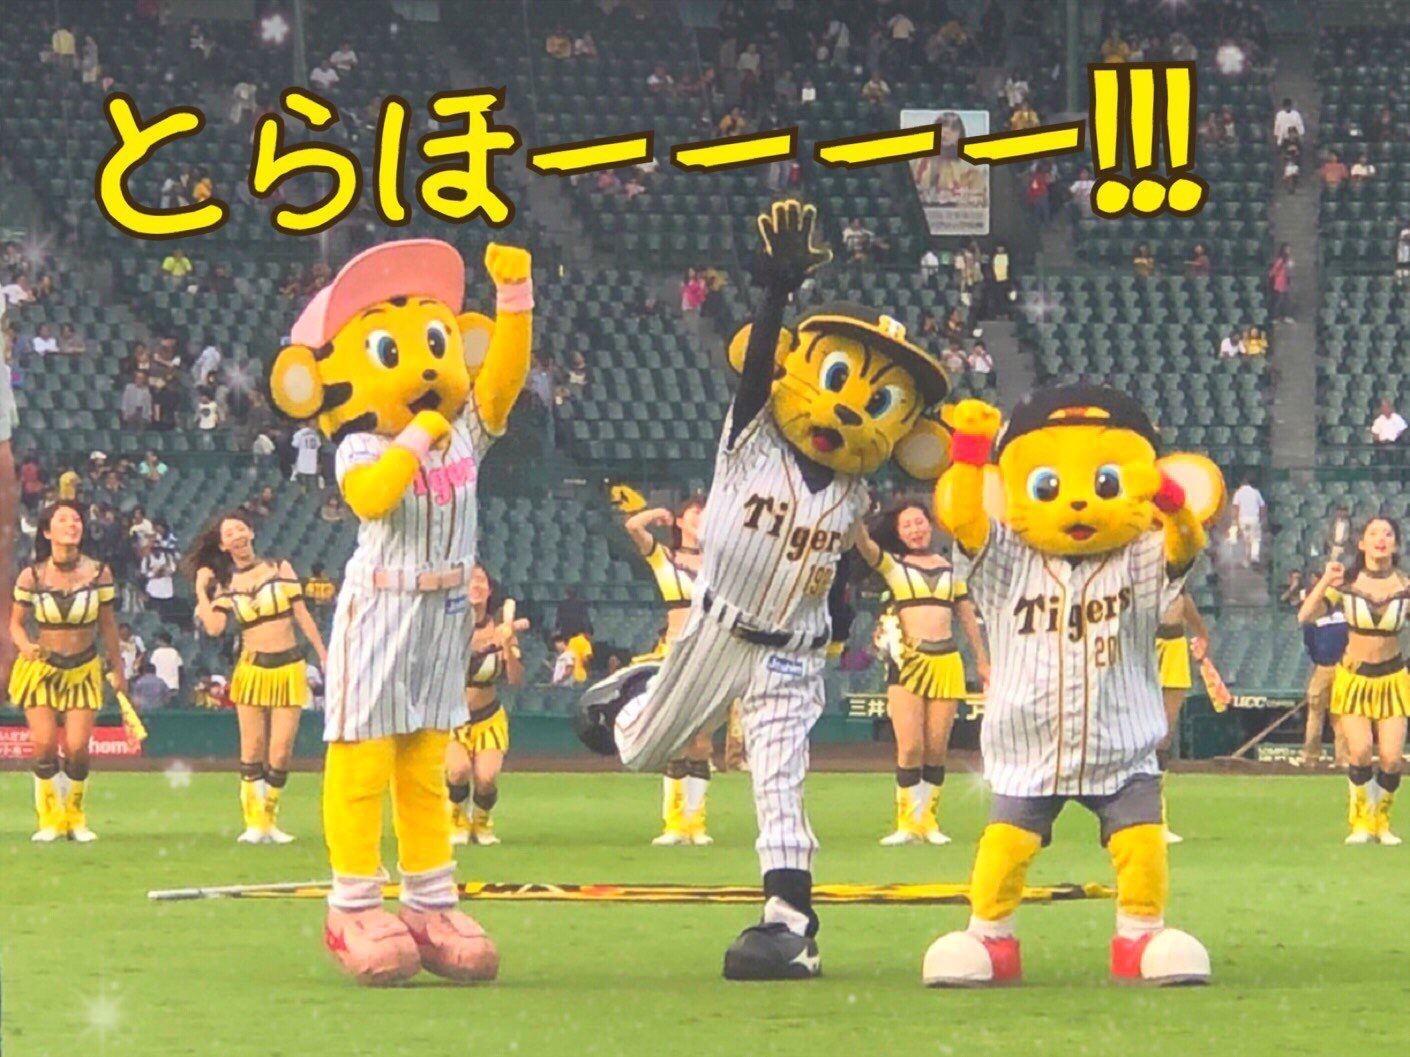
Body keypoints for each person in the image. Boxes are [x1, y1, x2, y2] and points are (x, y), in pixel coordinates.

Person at [855, 503, 988, 845]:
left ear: (930, 525)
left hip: (946, 661)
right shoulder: (893, 565)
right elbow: (865, 546)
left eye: (919, 522)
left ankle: (928, 821)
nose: (915, 530)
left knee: (936, 748)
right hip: (908, 662)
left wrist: (982, 661)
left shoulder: (952, 570)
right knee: (911, 746)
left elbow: (967, 617)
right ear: (898, 532)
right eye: (907, 525)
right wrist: (854, 514)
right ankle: (906, 823)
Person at [189, 513, 327, 844]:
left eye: (240, 528)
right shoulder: (227, 584)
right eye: (229, 533)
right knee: (252, 746)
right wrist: (200, 590)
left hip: (289, 666)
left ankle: (270, 818)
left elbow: (302, 614)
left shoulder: (280, 568)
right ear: (223, 545)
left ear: (251, 532)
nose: (237, 535)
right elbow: (214, 628)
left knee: (281, 751)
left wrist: (323, 653)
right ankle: (255, 822)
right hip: (251, 668)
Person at [8, 502, 126, 842]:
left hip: (83, 668)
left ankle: (75, 818)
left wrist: (118, 668)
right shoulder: (31, 575)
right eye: (62, 520)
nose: (72, 525)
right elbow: (15, 624)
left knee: (76, 747)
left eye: (76, 519)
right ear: (47, 532)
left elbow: (108, 626)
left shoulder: (99, 573)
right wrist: (25, 645)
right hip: (41, 669)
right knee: (44, 743)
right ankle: (50, 820)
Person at [1298, 518, 1408, 843]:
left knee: (1391, 758)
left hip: (1393, 679)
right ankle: (1361, 822)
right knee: (1358, 752)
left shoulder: (1404, 586)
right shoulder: (1346, 583)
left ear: (1396, 545)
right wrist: (1325, 581)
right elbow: (1305, 615)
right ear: (1361, 543)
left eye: (1388, 534)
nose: (1381, 539)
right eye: (1373, 533)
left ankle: (1381, 822)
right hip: (1354, 677)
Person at [623, 496, 718, 846]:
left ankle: (696, 823)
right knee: (674, 740)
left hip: (708, 657)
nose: (700, 519)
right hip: (673, 656)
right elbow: (633, 527)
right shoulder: (665, 558)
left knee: (701, 742)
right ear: (680, 520)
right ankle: (674, 824)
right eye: (694, 513)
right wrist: (656, 514)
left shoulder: (720, 565)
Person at [446, 565, 527, 846]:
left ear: (490, 590)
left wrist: (506, 645)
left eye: (481, 580)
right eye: (471, 581)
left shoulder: (500, 629)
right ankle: (457, 819)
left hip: (488, 716)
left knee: (486, 777)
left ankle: (481, 822)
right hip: (453, 716)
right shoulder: (448, 628)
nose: (476, 585)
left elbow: (516, 679)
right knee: (458, 771)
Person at [1154, 593, 1210, 843]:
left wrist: (1202, 633)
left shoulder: (1176, 577)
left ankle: (1156, 819)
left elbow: (1183, 596)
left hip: (1174, 643)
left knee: (1163, 736)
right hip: (1143, 642)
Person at [1230, 476, 1266, 568]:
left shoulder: (1238, 493)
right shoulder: (1256, 492)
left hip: (1243, 519)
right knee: (1255, 539)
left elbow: (1235, 507)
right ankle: (1254, 557)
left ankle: (1245, 561)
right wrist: (1262, 518)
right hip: (1254, 519)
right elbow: (1262, 506)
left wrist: (1234, 521)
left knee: (1245, 540)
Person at [291, 421, 323, 488]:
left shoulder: (298, 434)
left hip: (302, 463)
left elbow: (294, 446)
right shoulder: (314, 433)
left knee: (302, 485)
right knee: (312, 485)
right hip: (312, 463)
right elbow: (319, 445)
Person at [1268, 244, 1293, 322]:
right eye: (1287, 249)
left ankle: (1286, 316)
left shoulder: (1288, 259)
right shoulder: (1280, 260)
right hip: (1278, 282)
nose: (1288, 251)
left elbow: (1289, 268)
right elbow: (1273, 270)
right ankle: (1274, 317)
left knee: (1286, 300)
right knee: (1278, 300)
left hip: (1284, 282)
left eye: (1289, 249)